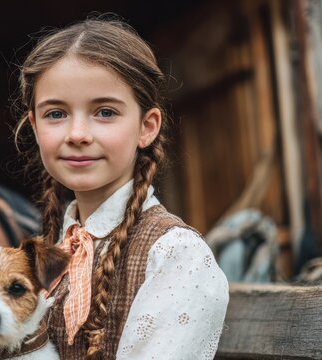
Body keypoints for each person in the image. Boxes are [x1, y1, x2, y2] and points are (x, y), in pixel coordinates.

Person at [14, 18, 229, 359]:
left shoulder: (175, 256)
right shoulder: (55, 253)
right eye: (56, 113)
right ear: (35, 127)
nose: (77, 133)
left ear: (147, 127)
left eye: (105, 112)